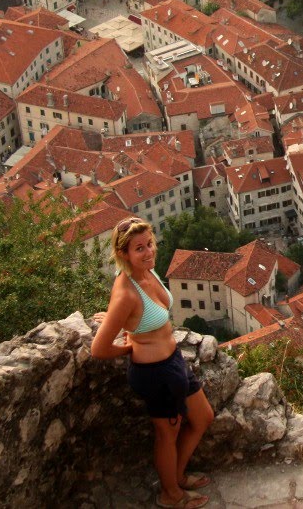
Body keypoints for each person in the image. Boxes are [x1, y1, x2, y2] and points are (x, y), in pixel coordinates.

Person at [93, 218, 214, 509]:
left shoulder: (147, 272)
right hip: (153, 374)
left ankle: (178, 477)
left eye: (149, 244)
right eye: (139, 248)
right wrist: (127, 348)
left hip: (172, 362)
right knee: (166, 434)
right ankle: (170, 494)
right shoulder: (125, 292)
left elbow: (137, 319)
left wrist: (120, 324)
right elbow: (98, 348)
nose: (148, 252)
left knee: (203, 417)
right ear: (123, 254)